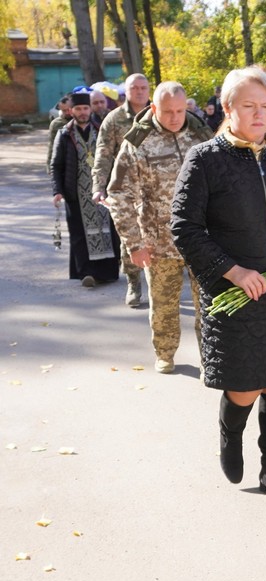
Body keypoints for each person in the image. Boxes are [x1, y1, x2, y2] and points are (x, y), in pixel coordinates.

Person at [171, 65, 266, 508]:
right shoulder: (205, 159)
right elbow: (184, 226)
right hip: (235, 293)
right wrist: (232, 271)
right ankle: (230, 434)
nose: (259, 114)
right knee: (246, 386)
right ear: (228, 108)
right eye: (249, 106)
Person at [105, 82, 215, 374]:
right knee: (164, 305)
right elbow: (119, 195)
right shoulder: (138, 142)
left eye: (181, 110)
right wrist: (134, 243)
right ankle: (165, 353)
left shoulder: (201, 135)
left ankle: (212, 359)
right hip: (159, 240)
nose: (176, 117)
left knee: (208, 304)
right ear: (153, 108)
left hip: (203, 239)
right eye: (168, 112)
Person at [50, 91, 121, 287]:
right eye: (78, 109)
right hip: (76, 192)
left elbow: (116, 159)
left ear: (90, 109)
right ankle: (86, 273)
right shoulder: (64, 135)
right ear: (71, 111)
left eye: (85, 108)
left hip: (102, 190)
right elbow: (56, 165)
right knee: (81, 233)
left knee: (106, 230)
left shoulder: (101, 130)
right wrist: (57, 191)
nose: (82, 112)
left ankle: (107, 272)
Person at [93, 73, 151, 307]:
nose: (139, 92)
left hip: (158, 186)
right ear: (125, 91)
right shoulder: (114, 119)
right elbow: (103, 155)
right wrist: (98, 186)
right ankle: (134, 283)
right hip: (126, 187)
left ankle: (164, 285)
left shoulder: (159, 115)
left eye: (143, 87)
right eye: (134, 88)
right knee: (130, 236)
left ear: (149, 90)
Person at [46, 95, 72, 175]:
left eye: (68, 109)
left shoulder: (81, 121)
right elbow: (51, 145)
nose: (67, 113)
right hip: (63, 161)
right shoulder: (56, 124)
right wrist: (49, 165)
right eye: (64, 111)